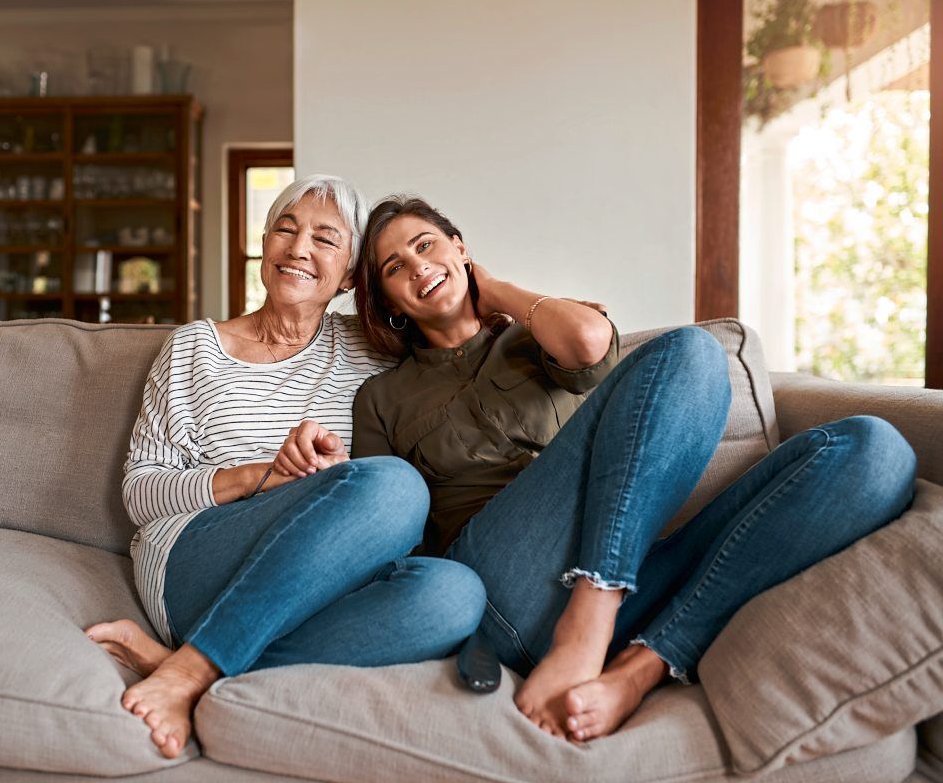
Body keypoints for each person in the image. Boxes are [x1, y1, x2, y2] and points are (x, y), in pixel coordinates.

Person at [298, 193, 916, 743]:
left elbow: (591, 343)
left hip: (630, 568)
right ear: (390, 304)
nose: (418, 268)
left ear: (461, 249)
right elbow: (391, 530)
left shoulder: (535, 335)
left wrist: (499, 292)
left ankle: (638, 665)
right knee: (692, 351)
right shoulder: (381, 397)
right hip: (504, 584)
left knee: (871, 451)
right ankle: (587, 623)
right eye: (394, 269)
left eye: (426, 245)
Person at [84, 179, 486, 759]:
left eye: (326, 238)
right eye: (285, 229)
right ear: (265, 245)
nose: (298, 248)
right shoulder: (194, 349)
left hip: (311, 584)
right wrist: (259, 477)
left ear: (352, 275)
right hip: (197, 562)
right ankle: (197, 665)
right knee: (393, 484)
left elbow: (458, 316)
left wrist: (339, 487)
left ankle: (191, 665)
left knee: (455, 594)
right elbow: (141, 494)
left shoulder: (375, 349)